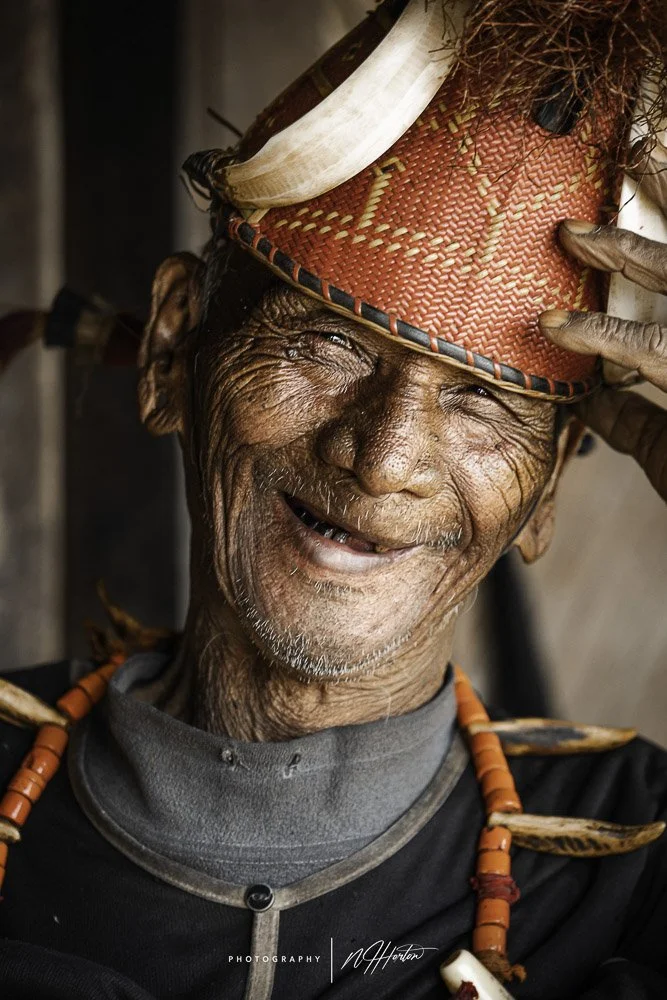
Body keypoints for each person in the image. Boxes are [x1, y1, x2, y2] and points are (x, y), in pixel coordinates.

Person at [0, 1, 666, 997]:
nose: (385, 456)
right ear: (177, 347)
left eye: (484, 401)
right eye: (329, 343)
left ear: (544, 494)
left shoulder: (633, 861)